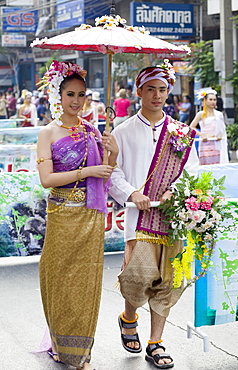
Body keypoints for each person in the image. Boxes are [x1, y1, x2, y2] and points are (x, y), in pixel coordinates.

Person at [109, 60, 199, 369]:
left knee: (169, 281)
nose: (157, 96)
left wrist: (176, 191)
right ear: (138, 91)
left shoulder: (180, 133)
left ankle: (156, 343)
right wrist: (132, 193)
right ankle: (128, 317)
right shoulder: (122, 132)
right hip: (139, 217)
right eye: (151, 89)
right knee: (138, 277)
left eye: (162, 90)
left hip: (172, 218)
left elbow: (191, 170)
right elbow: (112, 174)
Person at [36, 60, 118, 370]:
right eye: (70, 94)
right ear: (59, 96)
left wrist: (113, 152)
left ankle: (80, 353)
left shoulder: (93, 131)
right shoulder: (48, 132)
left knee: (86, 281)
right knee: (58, 278)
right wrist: (86, 170)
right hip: (62, 214)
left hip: (90, 215)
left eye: (81, 95)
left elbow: (106, 174)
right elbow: (47, 179)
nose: (76, 101)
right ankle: (60, 344)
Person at [190, 88, 229, 165]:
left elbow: (222, 129)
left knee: (217, 165)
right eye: (210, 99)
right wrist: (201, 134)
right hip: (205, 142)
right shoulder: (200, 114)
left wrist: (220, 134)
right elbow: (191, 127)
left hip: (216, 143)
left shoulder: (219, 114)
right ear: (205, 100)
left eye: (214, 100)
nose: (213, 102)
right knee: (205, 166)